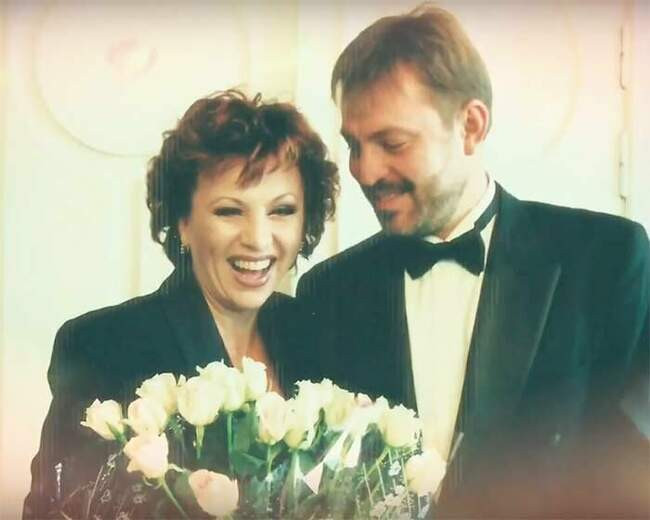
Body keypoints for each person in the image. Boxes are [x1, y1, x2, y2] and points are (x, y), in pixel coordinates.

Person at [296, 4, 650, 517]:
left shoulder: (608, 260)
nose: (365, 172)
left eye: (392, 143)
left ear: (471, 125)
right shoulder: (328, 292)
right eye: (354, 145)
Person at [23, 90, 338, 518]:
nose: (258, 239)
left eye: (281, 211)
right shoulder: (102, 346)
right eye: (229, 211)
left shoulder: (318, 335)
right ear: (183, 222)